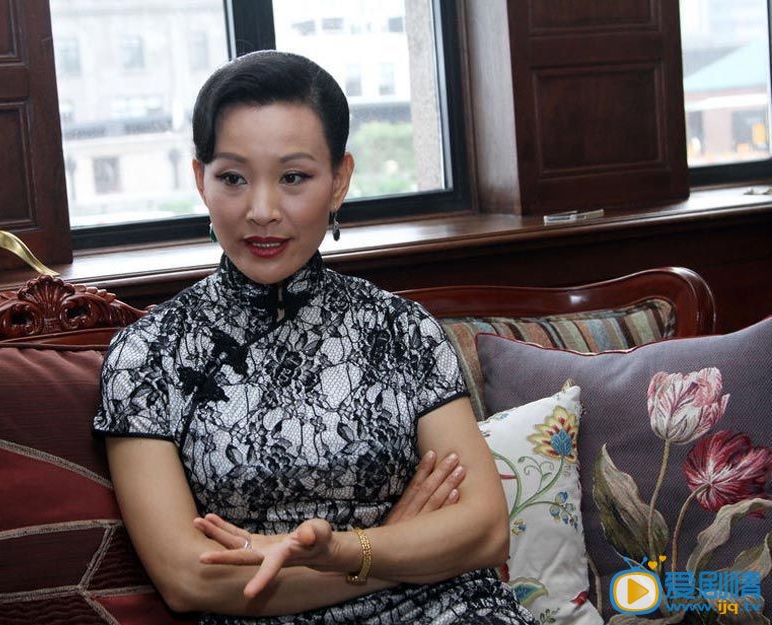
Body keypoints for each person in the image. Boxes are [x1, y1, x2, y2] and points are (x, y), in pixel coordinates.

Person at [92, 50, 536, 624]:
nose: (262, 210)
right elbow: (188, 579)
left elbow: (486, 531)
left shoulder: (401, 330)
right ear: (201, 180)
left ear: (339, 180)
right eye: (232, 178)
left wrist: (346, 550)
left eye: (293, 177)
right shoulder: (147, 355)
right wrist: (393, 545)